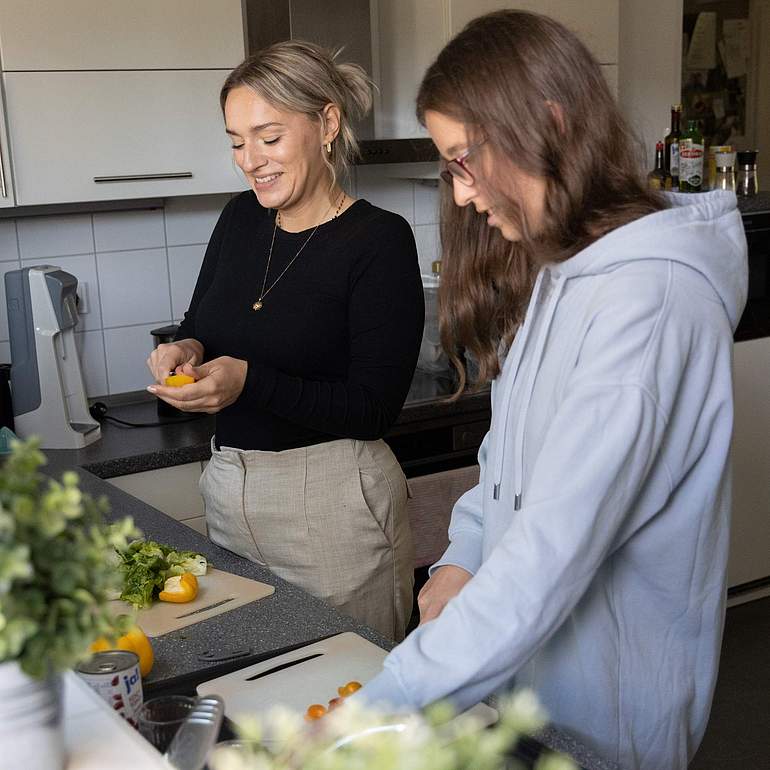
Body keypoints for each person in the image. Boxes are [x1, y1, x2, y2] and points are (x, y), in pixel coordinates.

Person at [354, 10, 748, 769]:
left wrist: (373, 709)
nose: (462, 196)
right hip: (527, 690)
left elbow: (552, 548)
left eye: (464, 159)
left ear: (549, 123)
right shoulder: (564, 272)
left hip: (605, 715)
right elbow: (509, 458)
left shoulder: (650, 303)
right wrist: (464, 555)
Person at [146, 40, 424, 641]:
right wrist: (186, 351)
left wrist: (248, 379)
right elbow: (200, 324)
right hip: (229, 485)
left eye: (269, 138)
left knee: (349, 698)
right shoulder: (239, 219)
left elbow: (373, 408)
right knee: (256, 684)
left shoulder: (379, 241)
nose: (250, 160)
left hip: (333, 503)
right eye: (237, 141)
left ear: (327, 123)